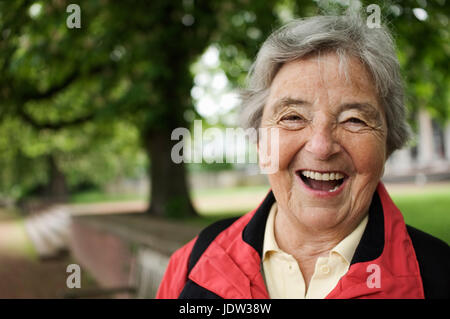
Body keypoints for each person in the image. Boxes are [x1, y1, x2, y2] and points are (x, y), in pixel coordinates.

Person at [156, 13, 450, 299]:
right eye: (293, 117)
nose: (321, 147)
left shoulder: (440, 277)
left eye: (354, 120)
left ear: (388, 144)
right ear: (259, 142)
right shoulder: (192, 265)